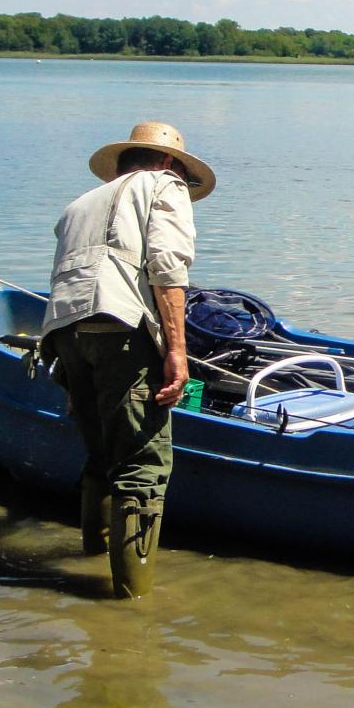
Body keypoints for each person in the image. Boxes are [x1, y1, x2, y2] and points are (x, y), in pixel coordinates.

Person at [41, 121, 215, 599]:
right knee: (142, 466)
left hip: (66, 334)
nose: (181, 176)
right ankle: (129, 603)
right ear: (166, 162)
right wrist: (177, 352)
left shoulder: (78, 204)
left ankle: (93, 559)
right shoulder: (165, 185)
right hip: (122, 330)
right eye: (179, 167)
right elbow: (168, 266)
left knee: (101, 457)